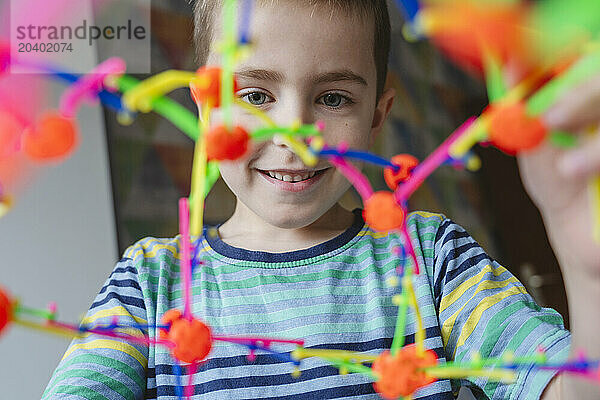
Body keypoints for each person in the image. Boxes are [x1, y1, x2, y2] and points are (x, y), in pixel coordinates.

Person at [42, 1, 600, 399]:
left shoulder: (431, 260)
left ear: (376, 119)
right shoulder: (148, 283)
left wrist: (585, 262)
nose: (294, 133)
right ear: (208, 106)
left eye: (333, 97)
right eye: (256, 94)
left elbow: (574, 387)